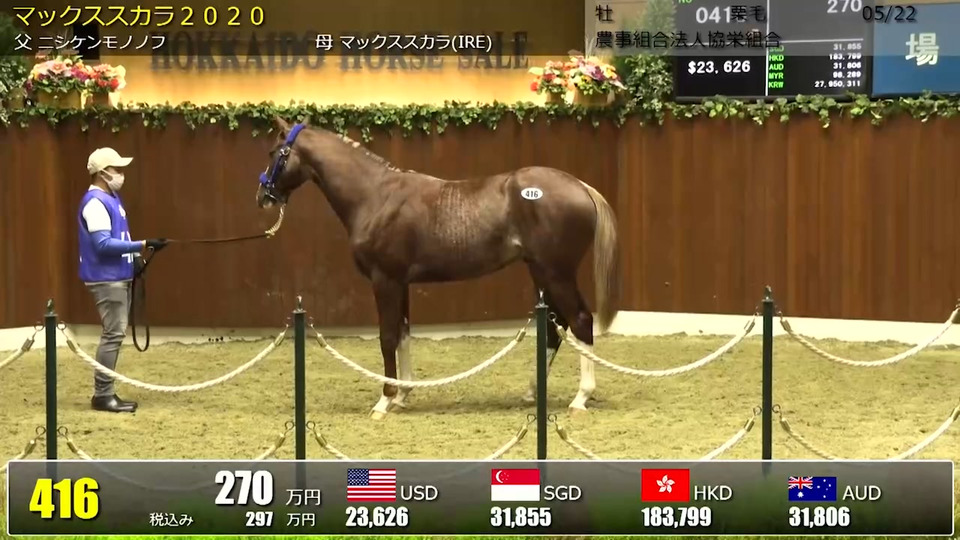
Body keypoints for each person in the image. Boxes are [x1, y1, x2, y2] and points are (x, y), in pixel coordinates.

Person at [79, 147, 167, 413]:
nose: (121, 173)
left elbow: (119, 237)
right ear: (102, 173)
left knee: (114, 333)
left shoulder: (111, 198)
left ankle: (104, 392)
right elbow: (103, 244)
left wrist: (135, 257)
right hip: (107, 278)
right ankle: (103, 394)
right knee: (113, 334)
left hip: (117, 275)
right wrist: (142, 245)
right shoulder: (96, 203)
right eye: (116, 169)